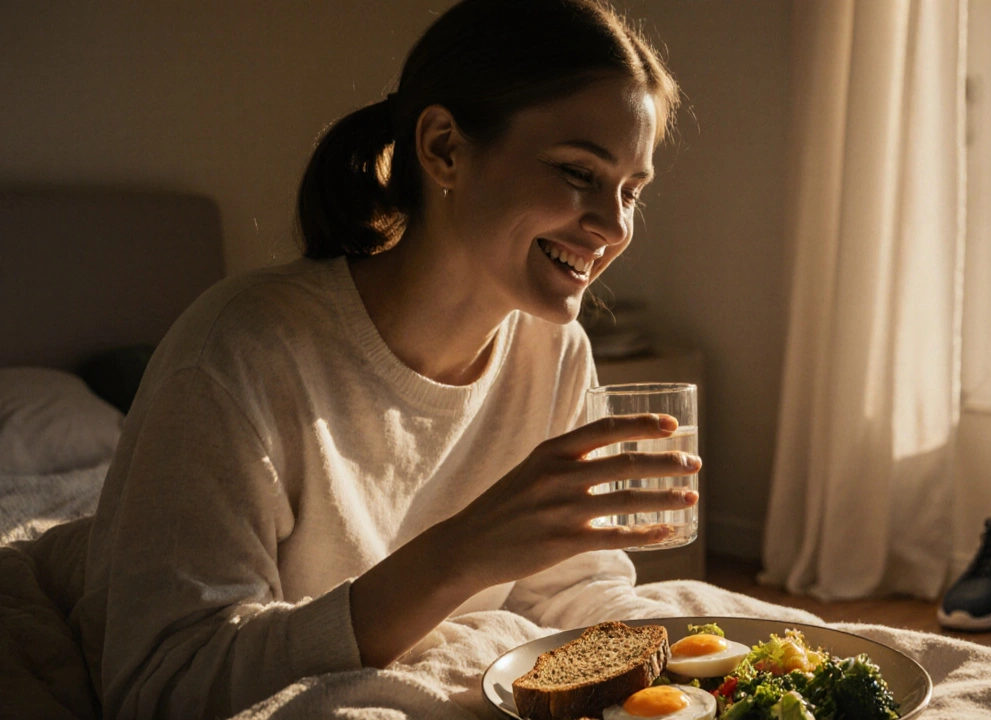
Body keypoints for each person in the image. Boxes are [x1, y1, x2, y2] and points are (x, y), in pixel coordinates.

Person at [71, 1, 697, 717]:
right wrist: (457, 556)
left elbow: (570, 592)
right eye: (578, 172)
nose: (613, 226)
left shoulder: (555, 350)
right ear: (443, 149)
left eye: (632, 191)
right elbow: (166, 685)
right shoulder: (240, 351)